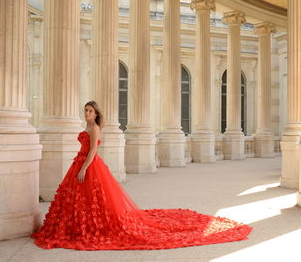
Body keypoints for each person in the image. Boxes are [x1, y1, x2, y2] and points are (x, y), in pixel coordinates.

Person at [31, 101, 252, 250]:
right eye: (86, 111)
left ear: (96, 114)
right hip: (79, 164)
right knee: (79, 200)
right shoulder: (86, 128)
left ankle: (91, 225)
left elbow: (92, 152)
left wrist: (82, 169)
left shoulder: (95, 129)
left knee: (96, 199)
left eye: (90, 111)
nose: (87, 114)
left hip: (87, 166)